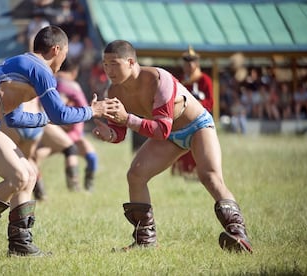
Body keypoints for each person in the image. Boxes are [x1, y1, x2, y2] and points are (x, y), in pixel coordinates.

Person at [0, 25, 117, 259]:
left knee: (29, 174)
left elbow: (15, 117)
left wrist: (47, 118)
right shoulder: (40, 68)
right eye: (65, 54)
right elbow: (60, 114)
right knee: (17, 176)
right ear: (56, 49)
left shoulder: (24, 64)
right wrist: (92, 110)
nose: (64, 61)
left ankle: (20, 244)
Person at [92, 40, 253, 253]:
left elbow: (160, 130)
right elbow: (120, 131)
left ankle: (238, 235)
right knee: (136, 175)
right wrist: (109, 134)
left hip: (196, 126)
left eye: (114, 63)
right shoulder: (114, 92)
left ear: (131, 62)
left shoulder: (159, 79)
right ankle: (145, 242)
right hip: (168, 135)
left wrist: (127, 118)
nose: (108, 70)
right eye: (105, 64)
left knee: (210, 177)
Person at [171, 46, 213, 178]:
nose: (188, 66)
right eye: (186, 63)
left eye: (191, 62)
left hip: (198, 121)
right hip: (182, 120)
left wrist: (195, 106)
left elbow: (210, 101)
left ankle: (198, 173)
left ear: (196, 64)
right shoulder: (182, 81)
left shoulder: (204, 80)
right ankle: (181, 171)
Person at [56, 58, 98, 191]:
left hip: (67, 133)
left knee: (36, 156)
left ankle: (40, 191)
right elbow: (83, 109)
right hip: (67, 133)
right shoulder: (69, 85)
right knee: (89, 156)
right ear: (74, 72)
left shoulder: (53, 82)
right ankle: (78, 187)